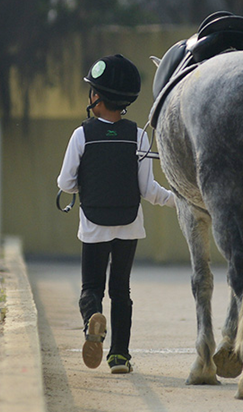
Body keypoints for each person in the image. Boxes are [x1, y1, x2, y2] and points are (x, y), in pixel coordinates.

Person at [56, 54, 176, 374]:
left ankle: (93, 319)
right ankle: (119, 356)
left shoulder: (82, 135)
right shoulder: (138, 135)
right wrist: (179, 200)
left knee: (91, 287)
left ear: (96, 96)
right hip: (129, 225)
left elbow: (65, 183)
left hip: (94, 224)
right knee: (121, 291)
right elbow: (149, 191)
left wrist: (85, 182)